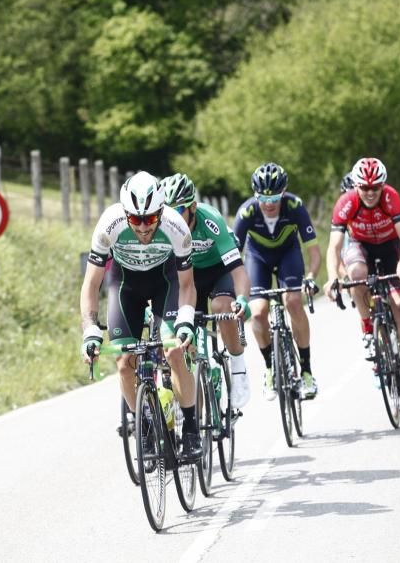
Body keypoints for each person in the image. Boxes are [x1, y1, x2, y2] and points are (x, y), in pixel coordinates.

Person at [79, 171, 203, 461]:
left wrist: (185, 320)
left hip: (166, 282)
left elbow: (187, 285)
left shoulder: (176, 226)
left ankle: (191, 428)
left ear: (162, 211)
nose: (144, 227)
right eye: (136, 219)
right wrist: (90, 330)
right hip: (125, 284)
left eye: (151, 218)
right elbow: (91, 284)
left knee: (174, 352)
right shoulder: (109, 224)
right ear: (126, 214)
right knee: (124, 362)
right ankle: (144, 424)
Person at [323, 157, 400, 404]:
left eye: (375, 187)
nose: (370, 193)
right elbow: (334, 247)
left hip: (390, 247)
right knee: (355, 276)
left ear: (383, 185)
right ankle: (368, 329)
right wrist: (332, 278)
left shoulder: (391, 198)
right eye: (365, 187)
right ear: (356, 185)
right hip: (362, 246)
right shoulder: (346, 203)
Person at [159, 173, 253, 408]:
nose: (173, 218)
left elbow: (238, 270)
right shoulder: (161, 228)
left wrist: (242, 299)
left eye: (178, 211)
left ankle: (239, 371)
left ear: (192, 206)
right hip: (188, 278)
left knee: (223, 307)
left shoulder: (209, 219)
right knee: (185, 338)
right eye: (167, 212)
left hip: (218, 270)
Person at [234, 162, 322, 400]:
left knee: (293, 302)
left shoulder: (295, 206)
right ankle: (270, 369)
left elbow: (314, 251)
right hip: (257, 258)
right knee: (259, 311)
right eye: (263, 197)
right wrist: (238, 293)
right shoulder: (247, 213)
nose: (269, 203)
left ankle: (306, 371)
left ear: (284, 192)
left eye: (275, 197)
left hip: (288, 255)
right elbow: (233, 259)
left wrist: (311, 277)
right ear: (255, 195)